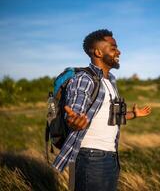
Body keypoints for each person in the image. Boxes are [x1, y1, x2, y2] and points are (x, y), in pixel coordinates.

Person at [52, 29, 151, 191]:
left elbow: (108, 115)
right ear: (98, 52)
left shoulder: (110, 81)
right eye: (113, 48)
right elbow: (75, 111)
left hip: (111, 155)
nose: (119, 51)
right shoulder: (84, 79)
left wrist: (134, 114)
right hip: (90, 157)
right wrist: (74, 121)